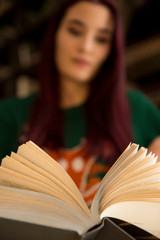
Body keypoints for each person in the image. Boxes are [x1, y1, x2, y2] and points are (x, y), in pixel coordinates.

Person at [0, 0, 160, 205]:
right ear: (54, 34)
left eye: (101, 39)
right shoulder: (9, 114)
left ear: (111, 51)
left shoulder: (135, 107)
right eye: (75, 31)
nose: (86, 47)